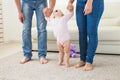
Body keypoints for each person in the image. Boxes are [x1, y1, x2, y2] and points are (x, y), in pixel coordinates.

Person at [14, 0, 56, 64]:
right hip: (26, 2)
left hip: (41, 2)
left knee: (42, 29)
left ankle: (42, 55)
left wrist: (51, 9)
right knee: (26, 29)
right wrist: (19, 12)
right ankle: (27, 55)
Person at [67, 0, 104, 71]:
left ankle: (89, 61)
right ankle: (82, 59)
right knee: (82, 32)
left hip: (95, 2)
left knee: (91, 32)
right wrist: (70, 2)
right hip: (80, 2)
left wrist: (89, 3)